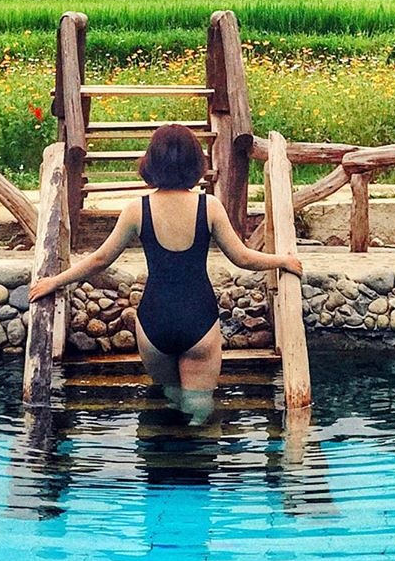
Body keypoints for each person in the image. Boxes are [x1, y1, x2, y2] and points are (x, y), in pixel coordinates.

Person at [29, 122, 302, 423]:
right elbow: (242, 258)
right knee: (199, 409)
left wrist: (54, 281)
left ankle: (163, 460)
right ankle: (197, 451)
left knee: (168, 400)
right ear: (197, 163)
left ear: (151, 162)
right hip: (198, 320)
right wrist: (282, 260)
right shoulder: (208, 207)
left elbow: (100, 259)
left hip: (153, 323)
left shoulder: (137, 209)